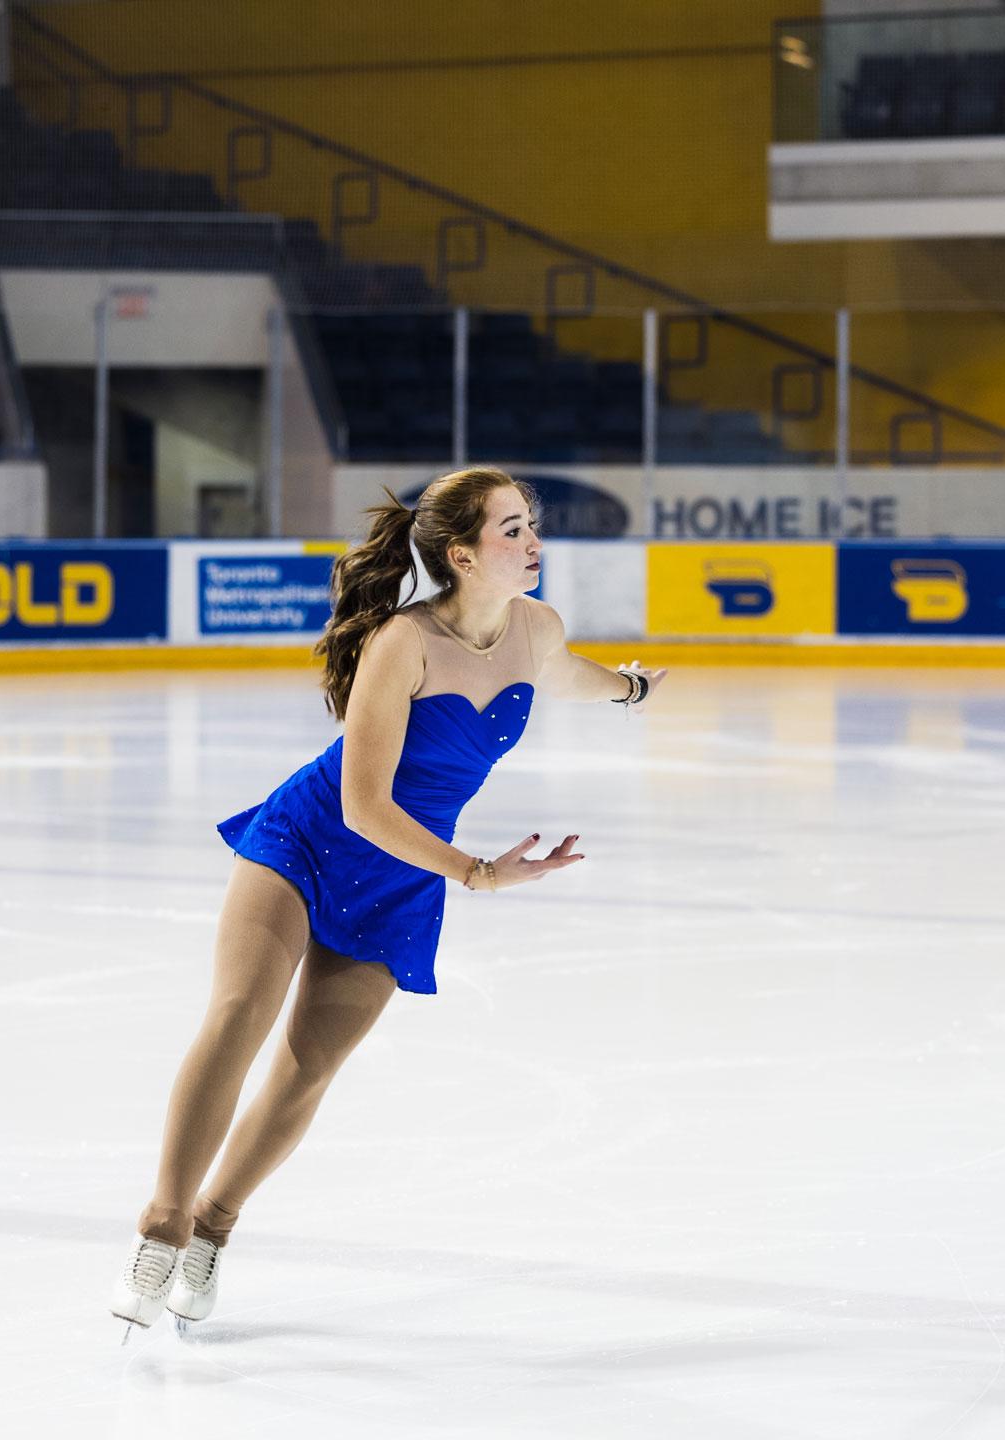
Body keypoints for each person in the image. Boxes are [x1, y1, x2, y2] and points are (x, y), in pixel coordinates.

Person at [109, 466, 665, 1336]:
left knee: (308, 1067)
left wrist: (629, 689)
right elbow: (366, 806)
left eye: (531, 525)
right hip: (313, 837)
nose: (534, 543)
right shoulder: (402, 643)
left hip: (407, 874)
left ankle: (213, 1229)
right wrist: (477, 872)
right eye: (512, 529)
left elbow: (564, 674)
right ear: (462, 554)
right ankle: (163, 1223)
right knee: (239, 1012)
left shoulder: (535, 628)